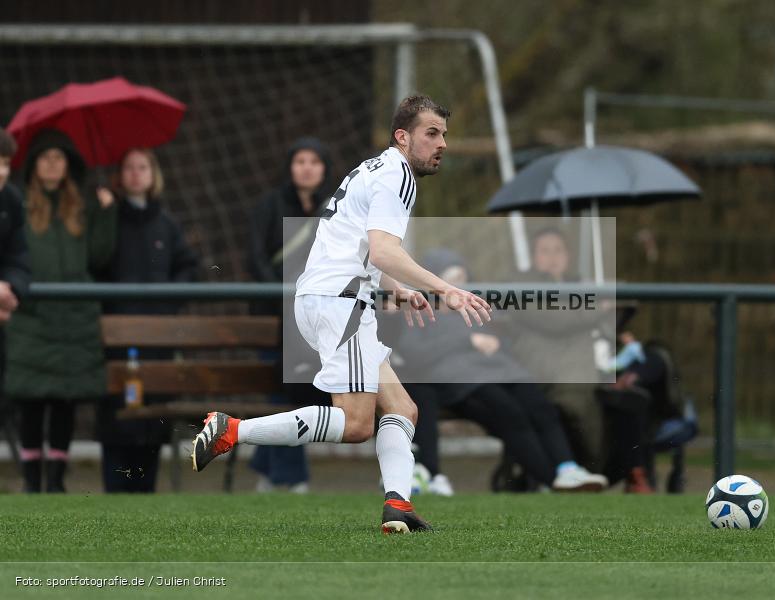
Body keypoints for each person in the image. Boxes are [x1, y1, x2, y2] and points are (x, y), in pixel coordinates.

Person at [192, 95, 492, 533]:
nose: (441, 142)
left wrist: (399, 290)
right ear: (402, 136)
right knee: (355, 424)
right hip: (340, 304)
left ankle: (398, 505)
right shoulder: (397, 176)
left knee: (403, 410)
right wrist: (445, 287)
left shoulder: (372, 168)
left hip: (331, 298)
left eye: (444, 134)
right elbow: (384, 250)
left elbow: (359, 246)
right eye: (432, 133)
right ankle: (232, 430)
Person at [397, 248, 609, 494]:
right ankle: (551, 481)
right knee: (512, 415)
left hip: (504, 372)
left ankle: (567, 468)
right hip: (464, 382)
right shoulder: (421, 314)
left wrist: (498, 345)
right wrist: (467, 342)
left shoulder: (477, 308)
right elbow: (414, 355)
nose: (458, 284)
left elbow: (504, 341)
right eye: (451, 278)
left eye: (462, 278)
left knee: (542, 408)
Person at [6, 129, 117, 493]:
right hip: (31, 317)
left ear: (68, 166)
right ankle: (31, 479)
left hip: (75, 319)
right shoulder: (18, 206)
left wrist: (106, 214)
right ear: (35, 166)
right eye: (45, 158)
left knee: (65, 400)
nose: (53, 164)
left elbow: (99, 257)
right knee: (32, 400)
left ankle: (56, 480)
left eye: (59, 158)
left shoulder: (82, 209)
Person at [510, 227, 653, 493]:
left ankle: (630, 475)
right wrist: (600, 306)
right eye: (545, 250)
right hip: (552, 374)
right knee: (579, 403)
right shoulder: (523, 286)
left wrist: (615, 323)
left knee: (636, 400)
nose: (553, 257)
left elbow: (609, 319)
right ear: (533, 256)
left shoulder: (583, 284)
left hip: (595, 368)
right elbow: (556, 320)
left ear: (568, 255)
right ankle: (592, 473)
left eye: (558, 250)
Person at [96, 147, 198, 493]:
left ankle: (146, 492)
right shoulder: (109, 220)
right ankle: (114, 488)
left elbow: (188, 265)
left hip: (157, 340)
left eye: (143, 167)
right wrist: (102, 213)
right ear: (120, 175)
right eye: (129, 167)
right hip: (118, 340)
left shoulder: (166, 224)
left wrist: (169, 299)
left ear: (153, 174)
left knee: (152, 418)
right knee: (117, 415)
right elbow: (95, 260)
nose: (136, 173)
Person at [245, 137, 333, 493]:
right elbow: (256, 257)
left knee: (293, 395)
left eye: (314, 161)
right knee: (282, 396)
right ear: (290, 167)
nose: (307, 168)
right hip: (276, 320)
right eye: (300, 161)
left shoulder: (334, 208)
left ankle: (265, 468)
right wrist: (283, 295)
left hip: (315, 320)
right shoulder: (269, 205)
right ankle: (291, 478)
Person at [0, 129, 31, 463]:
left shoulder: (9, 199)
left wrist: (11, 289)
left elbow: (20, 258)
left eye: (6, 162)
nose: (2, 171)